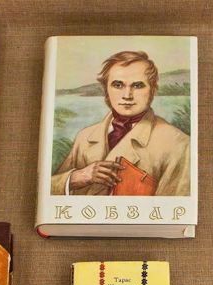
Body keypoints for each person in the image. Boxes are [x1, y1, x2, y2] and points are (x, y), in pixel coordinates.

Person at [51, 51, 190, 196]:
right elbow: (49, 193)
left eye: (137, 86)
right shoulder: (84, 137)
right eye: (118, 85)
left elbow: (171, 206)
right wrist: (75, 178)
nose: (127, 95)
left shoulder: (178, 143)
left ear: (153, 90)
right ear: (106, 90)